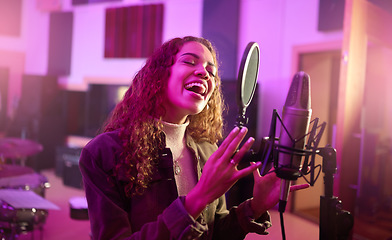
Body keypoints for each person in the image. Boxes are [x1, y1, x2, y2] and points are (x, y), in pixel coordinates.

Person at [79, 36, 308, 240]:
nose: (204, 73)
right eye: (189, 62)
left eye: (212, 72)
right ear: (160, 73)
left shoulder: (208, 150)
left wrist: (254, 207)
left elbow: (214, 232)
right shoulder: (103, 153)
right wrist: (197, 199)